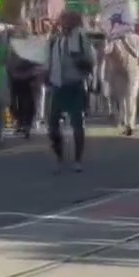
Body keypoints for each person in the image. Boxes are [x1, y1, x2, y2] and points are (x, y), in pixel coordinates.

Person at [45, 10, 93, 172]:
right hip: (58, 86)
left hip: (75, 85)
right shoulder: (55, 40)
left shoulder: (80, 38)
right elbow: (49, 60)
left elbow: (90, 61)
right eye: (62, 21)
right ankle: (59, 156)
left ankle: (77, 160)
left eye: (66, 21)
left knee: (77, 123)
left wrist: (80, 59)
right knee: (52, 125)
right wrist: (46, 75)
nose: (63, 24)